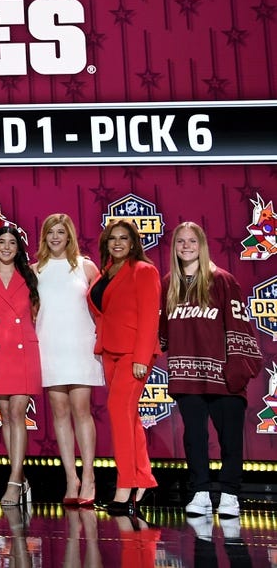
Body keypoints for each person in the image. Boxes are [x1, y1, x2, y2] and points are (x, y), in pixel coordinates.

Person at [159, 222, 262, 519]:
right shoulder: (169, 283)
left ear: (202, 245)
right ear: (174, 247)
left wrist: (237, 369)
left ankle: (230, 494)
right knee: (194, 437)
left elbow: (239, 325)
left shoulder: (222, 280)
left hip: (223, 375)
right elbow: (161, 331)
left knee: (229, 437)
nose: (186, 246)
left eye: (192, 241)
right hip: (186, 374)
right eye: (180, 242)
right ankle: (200, 492)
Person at [87, 219, 160, 515]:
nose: (117, 243)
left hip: (133, 354)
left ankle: (125, 487)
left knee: (119, 414)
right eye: (112, 239)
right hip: (109, 351)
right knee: (129, 420)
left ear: (133, 243)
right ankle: (142, 479)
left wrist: (142, 358)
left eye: (124, 238)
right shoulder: (105, 272)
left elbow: (149, 318)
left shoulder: (144, 271)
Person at [34, 213, 102, 507]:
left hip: (80, 347)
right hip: (49, 346)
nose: (55, 237)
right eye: (51, 232)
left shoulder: (86, 267)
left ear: (69, 235)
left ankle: (89, 476)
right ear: (44, 236)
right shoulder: (35, 269)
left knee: (81, 410)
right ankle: (70, 477)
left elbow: (104, 307)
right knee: (59, 413)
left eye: (61, 232)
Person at [0, 225, 41, 506]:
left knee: (18, 413)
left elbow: (39, 313)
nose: (6, 247)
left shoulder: (30, 275)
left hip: (23, 350)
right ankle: (20, 478)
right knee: (6, 415)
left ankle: (15, 480)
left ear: (19, 248)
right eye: (2, 242)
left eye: (12, 243)